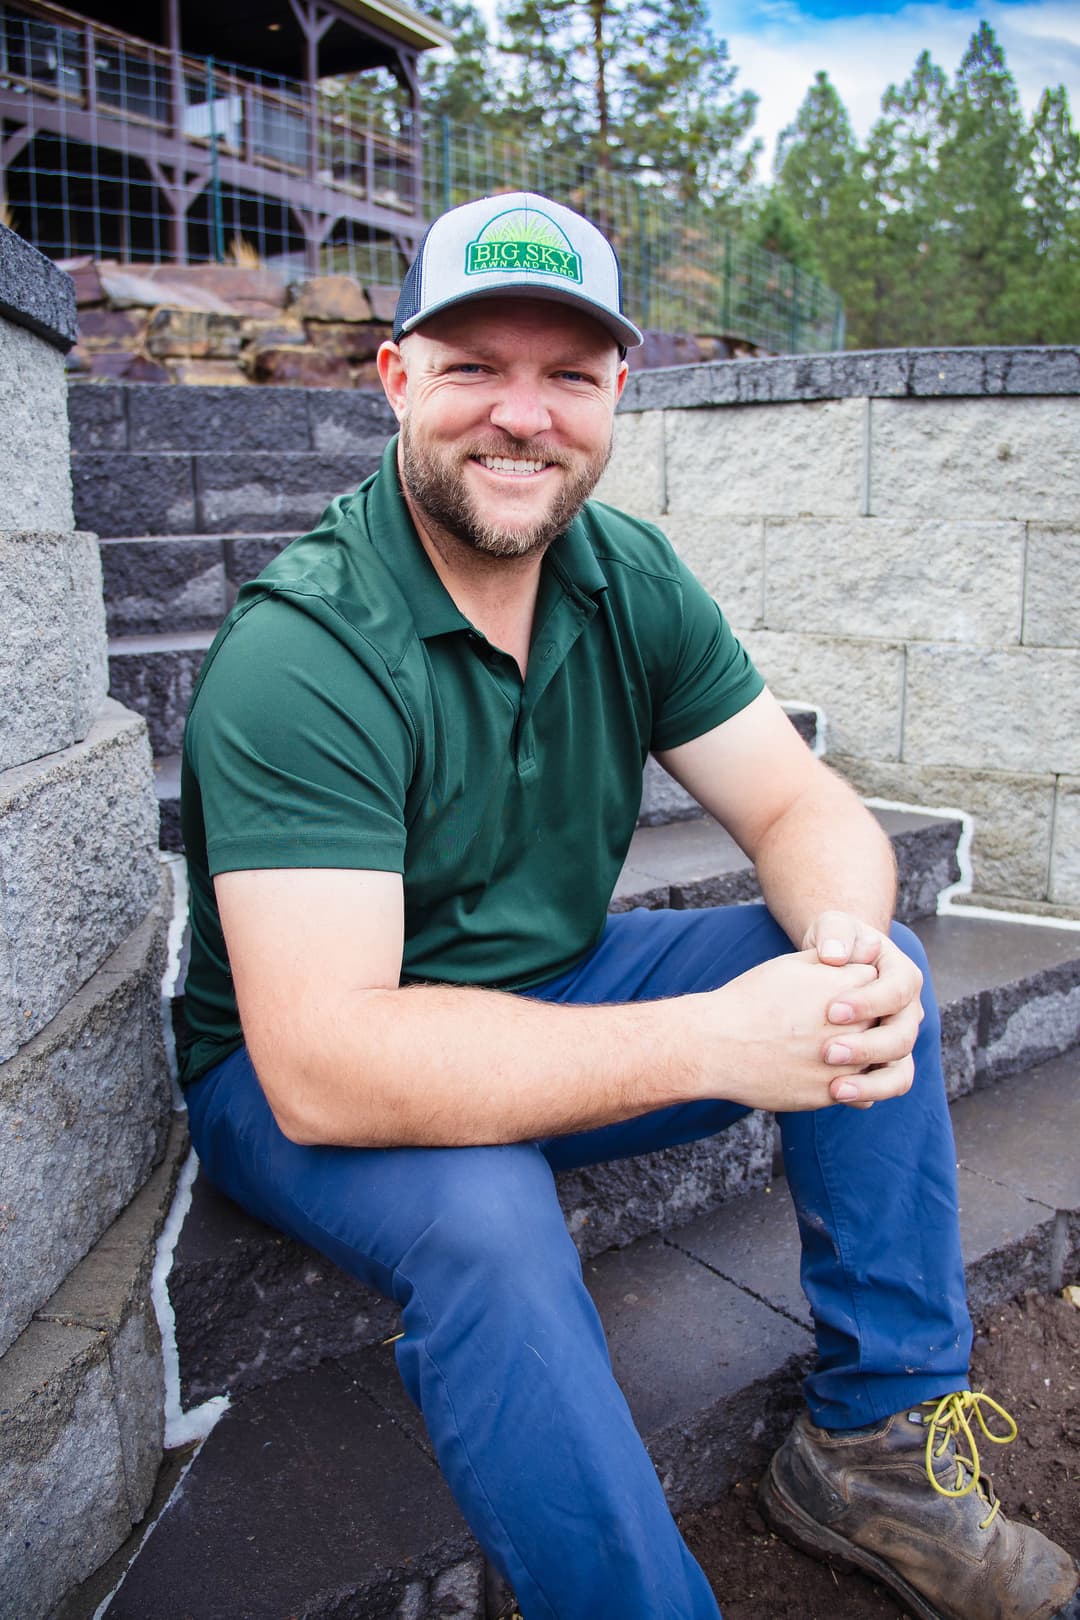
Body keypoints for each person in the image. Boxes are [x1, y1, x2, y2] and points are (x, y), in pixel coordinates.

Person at [179, 192, 1079, 1620]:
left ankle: (876, 1446)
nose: (522, 417)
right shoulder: (305, 653)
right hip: (302, 1068)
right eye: (475, 366)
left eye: (568, 374)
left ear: (618, 394)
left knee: (870, 957)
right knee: (484, 1216)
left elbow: (799, 810)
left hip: (555, 979)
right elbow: (326, 1058)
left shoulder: (622, 574)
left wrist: (842, 954)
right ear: (397, 378)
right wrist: (721, 1045)